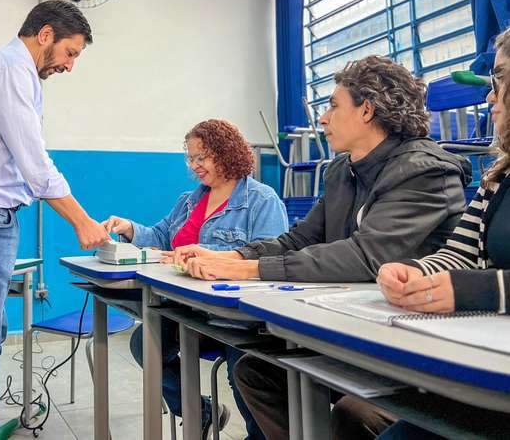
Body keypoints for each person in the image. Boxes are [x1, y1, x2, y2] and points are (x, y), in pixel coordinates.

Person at [175, 56, 472, 439]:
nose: (324, 118)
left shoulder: (423, 171)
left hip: (417, 351)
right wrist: (230, 256)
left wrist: (245, 270)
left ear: (367, 110)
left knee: (354, 413)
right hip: (360, 330)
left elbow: (366, 256)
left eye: (333, 105)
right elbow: (299, 238)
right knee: (255, 371)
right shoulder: (342, 170)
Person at [0, 0, 110, 440]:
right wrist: (82, 222)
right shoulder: (11, 68)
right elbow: (35, 165)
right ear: (46, 34)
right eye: (71, 53)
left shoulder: (8, 69)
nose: (70, 66)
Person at [104, 119, 288, 440]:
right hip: (190, 310)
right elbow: (162, 236)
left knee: (244, 373)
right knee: (145, 344)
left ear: (226, 153)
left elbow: (268, 257)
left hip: (239, 319)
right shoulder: (190, 200)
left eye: (201, 157)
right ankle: (201, 413)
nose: (195, 165)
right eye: (190, 158)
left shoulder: (262, 200)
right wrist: (131, 228)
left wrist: (200, 253)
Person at [375, 27, 510, 440]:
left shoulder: (422, 168)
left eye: (500, 78)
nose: (490, 96)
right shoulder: (500, 176)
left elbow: (472, 280)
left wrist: (476, 290)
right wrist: (413, 271)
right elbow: (461, 254)